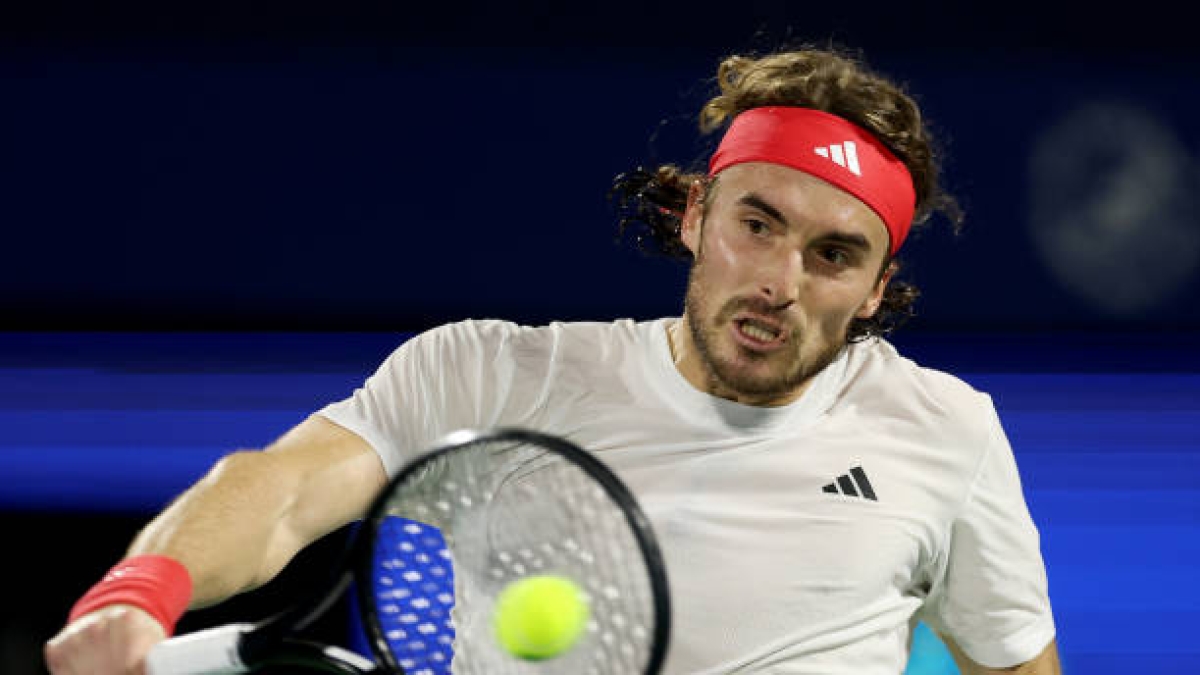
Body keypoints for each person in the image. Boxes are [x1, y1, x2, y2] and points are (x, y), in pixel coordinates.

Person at [45, 46, 1060, 674]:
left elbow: (1016, 670)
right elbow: (276, 492)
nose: (781, 282)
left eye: (834, 255)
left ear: (878, 290)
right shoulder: (487, 377)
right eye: (758, 224)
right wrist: (137, 593)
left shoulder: (946, 431)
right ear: (696, 215)